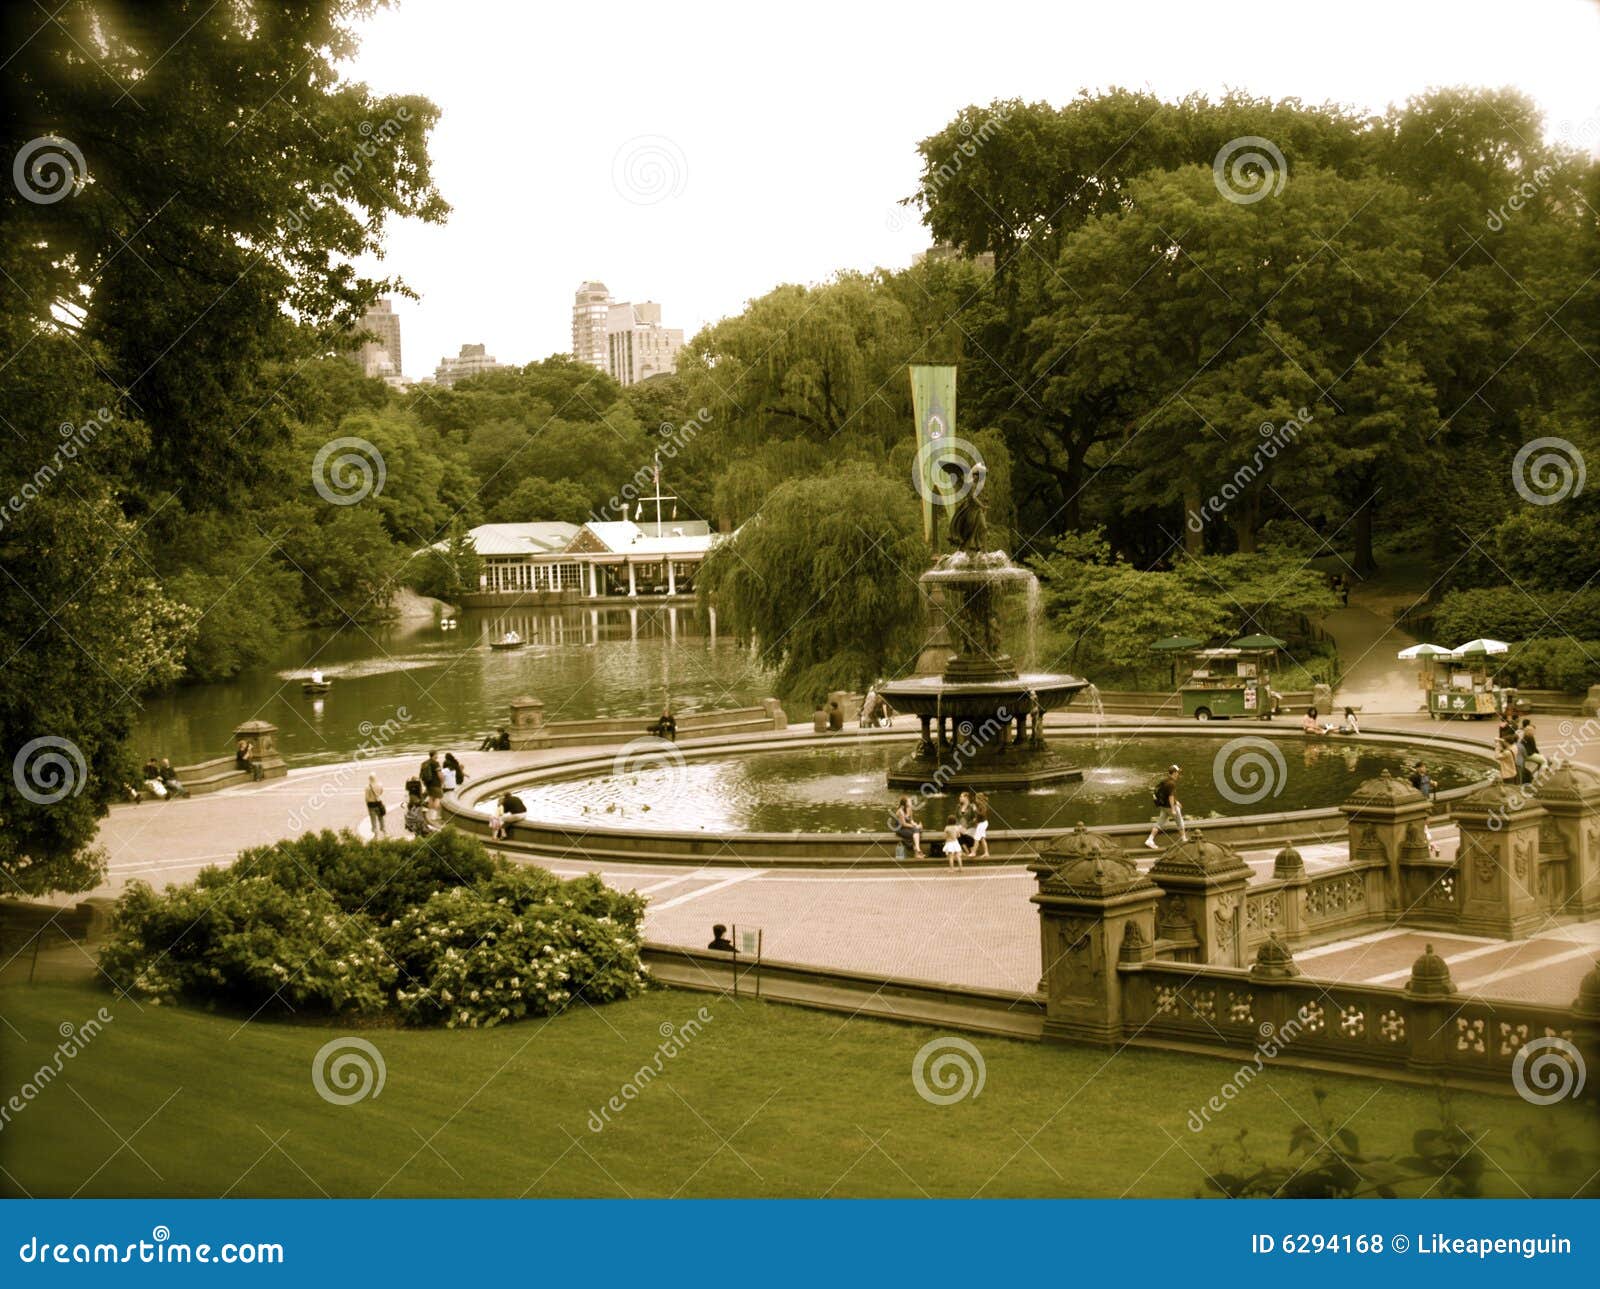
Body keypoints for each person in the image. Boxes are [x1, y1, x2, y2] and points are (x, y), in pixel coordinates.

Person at [1145, 764, 1187, 849]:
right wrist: (1173, 809)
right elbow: (1170, 796)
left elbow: (1165, 793)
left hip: (1163, 806)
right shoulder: (1172, 783)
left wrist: (1176, 801)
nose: (1178, 774)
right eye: (1178, 772)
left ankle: (1150, 840)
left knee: (1159, 823)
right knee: (1180, 823)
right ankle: (1184, 840)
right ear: (1174, 773)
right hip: (1170, 807)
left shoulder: (1165, 780)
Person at [1409, 761, 1440, 857]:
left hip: (1425, 801)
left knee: (1425, 826)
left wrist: (1433, 783)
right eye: (1422, 767)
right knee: (1424, 826)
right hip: (1419, 802)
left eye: (1424, 767)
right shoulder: (1414, 777)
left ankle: (1431, 845)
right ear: (1418, 768)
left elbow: (1429, 782)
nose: (1424, 768)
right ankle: (1432, 846)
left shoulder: (1425, 776)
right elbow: (1410, 786)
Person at [420, 751, 444, 817]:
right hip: (436, 783)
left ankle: (430, 815)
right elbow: (439, 774)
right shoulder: (435, 763)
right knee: (438, 798)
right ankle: (435, 815)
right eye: (437, 754)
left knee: (431, 797)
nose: (437, 756)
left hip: (428, 783)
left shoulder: (424, 763)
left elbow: (421, 775)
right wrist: (442, 782)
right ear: (434, 755)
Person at [971, 792, 992, 859]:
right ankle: (986, 853)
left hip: (982, 824)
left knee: (976, 838)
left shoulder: (982, 805)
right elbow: (980, 816)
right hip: (983, 823)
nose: (975, 800)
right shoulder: (981, 805)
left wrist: (975, 810)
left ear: (978, 799)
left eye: (976, 798)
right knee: (982, 838)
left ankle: (973, 852)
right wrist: (976, 820)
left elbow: (982, 814)